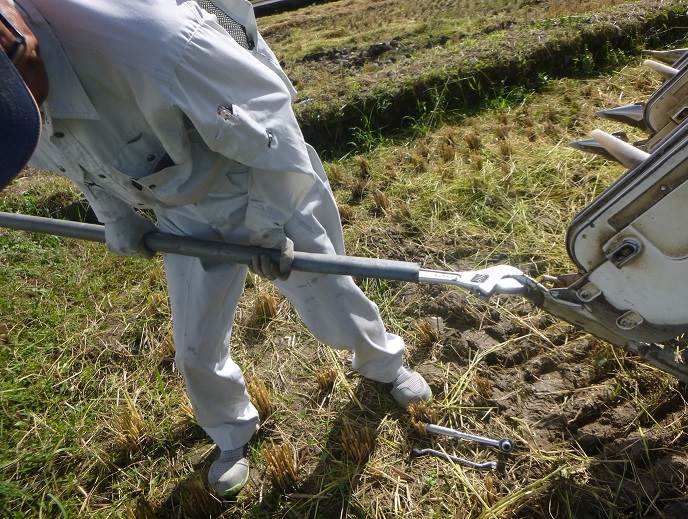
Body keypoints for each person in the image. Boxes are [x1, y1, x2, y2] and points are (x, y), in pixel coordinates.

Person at [0, 0, 432, 496]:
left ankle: (383, 363)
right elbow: (75, 154)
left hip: (261, 178)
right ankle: (231, 431)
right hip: (175, 201)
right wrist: (115, 215)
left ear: (16, 40)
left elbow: (271, 123)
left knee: (327, 292)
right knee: (196, 345)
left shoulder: (155, 44)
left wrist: (269, 227)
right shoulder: (19, 107)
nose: (27, 113)